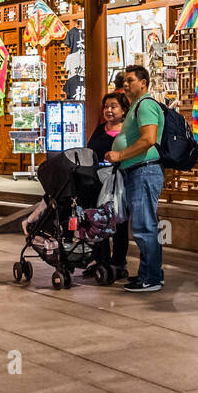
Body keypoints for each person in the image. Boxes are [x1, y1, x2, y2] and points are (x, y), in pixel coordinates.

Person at [105, 65, 165, 293]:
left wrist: (120, 154)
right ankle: (149, 275)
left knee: (145, 226)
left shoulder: (146, 105)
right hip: (137, 171)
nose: (126, 84)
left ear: (144, 82)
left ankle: (150, 278)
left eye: (131, 80)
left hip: (144, 170)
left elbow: (148, 139)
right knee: (143, 225)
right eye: (125, 80)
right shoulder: (136, 107)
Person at [84, 91, 130, 281]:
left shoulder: (128, 131)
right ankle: (99, 260)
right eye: (106, 107)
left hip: (119, 183)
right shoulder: (100, 129)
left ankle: (118, 263)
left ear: (124, 110)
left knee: (119, 224)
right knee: (99, 221)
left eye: (113, 106)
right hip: (98, 183)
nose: (109, 110)